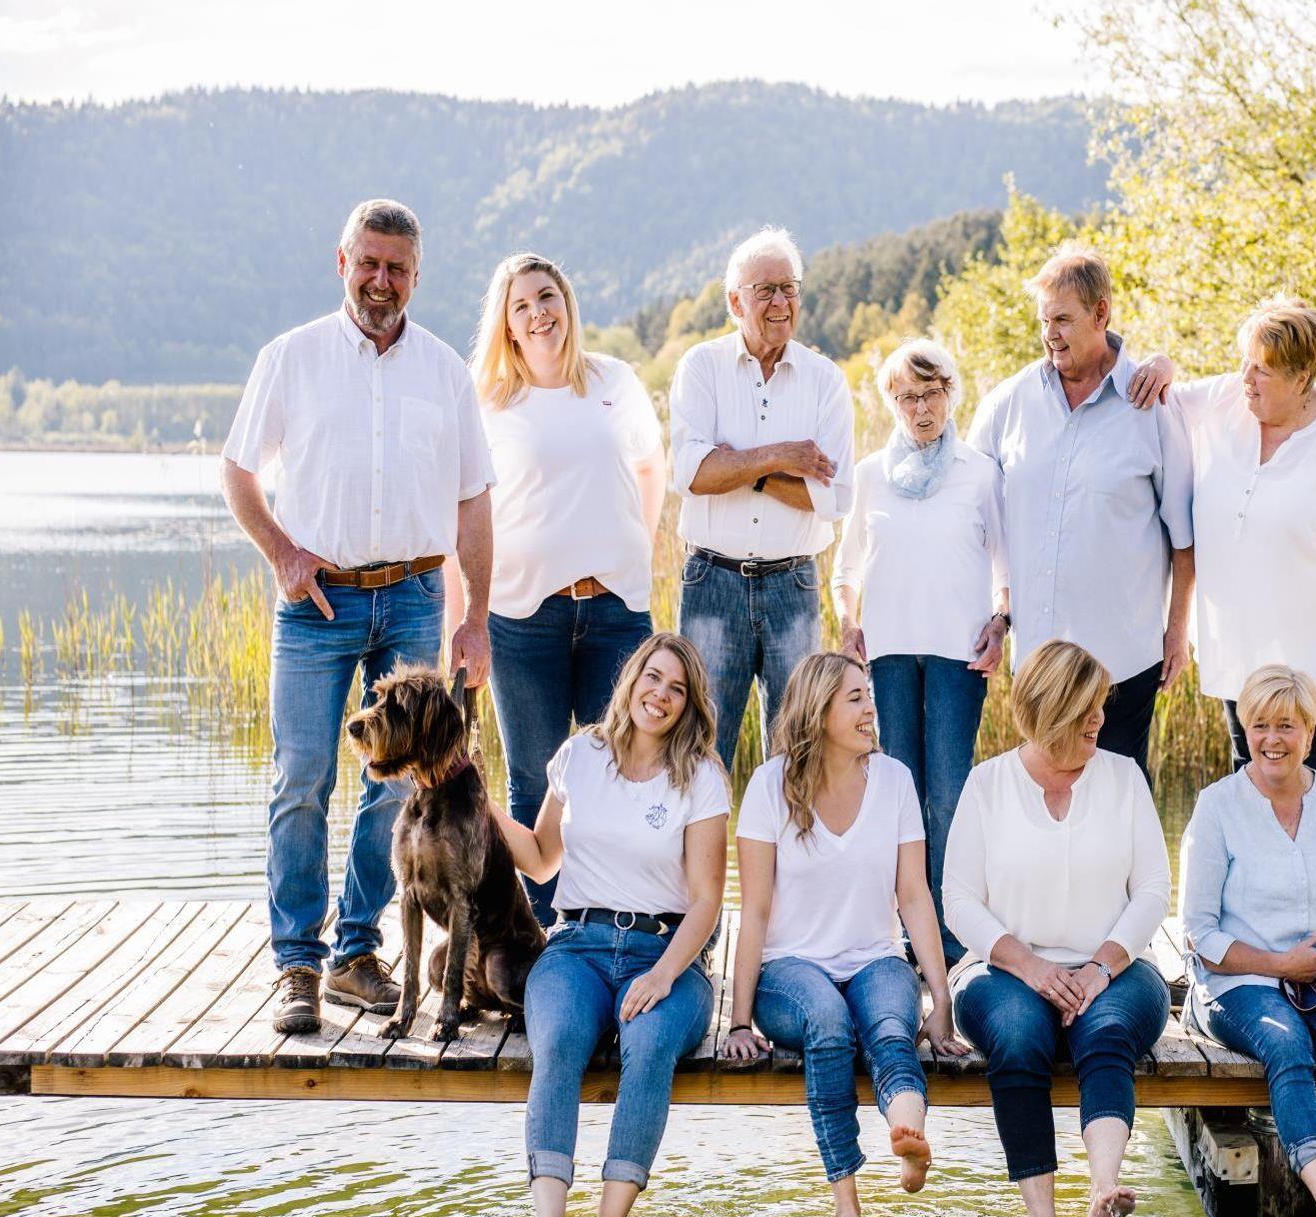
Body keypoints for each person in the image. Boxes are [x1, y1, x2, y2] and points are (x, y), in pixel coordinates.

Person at [221, 197, 495, 1035]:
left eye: (397, 268)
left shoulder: (445, 371)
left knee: (402, 785)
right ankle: (297, 964)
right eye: (369, 264)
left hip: (414, 595)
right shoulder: (291, 357)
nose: (382, 281)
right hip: (317, 601)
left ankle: (354, 951)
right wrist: (283, 553)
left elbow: (473, 501)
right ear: (343, 263)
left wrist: (477, 615)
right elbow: (238, 472)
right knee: (301, 779)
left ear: (417, 274)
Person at [489, 633, 729, 1217]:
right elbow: (542, 859)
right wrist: (479, 801)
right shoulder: (581, 755)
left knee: (648, 1047)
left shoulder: (701, 776)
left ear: (689, 704)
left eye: (677, 689)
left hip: (665, 952)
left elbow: (707, 900)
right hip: (576, 948)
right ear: (631, 679)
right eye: (653, 678)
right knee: (560, 1039)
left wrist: (663, 974)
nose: (661, 695)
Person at [943, 640, 1172, 1217]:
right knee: (1019, 1038)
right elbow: (958, 899)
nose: (1100, 718)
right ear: (1049, 710)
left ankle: (1103, 1190)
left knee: (1108, 1030)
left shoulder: (1123, 778)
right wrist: (1032, 968)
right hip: (1005, 971)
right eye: (1086, 707)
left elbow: (1154, 890)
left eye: (1101, 704)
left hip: (1114, 970)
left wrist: (1100, 967)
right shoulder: (988, 784)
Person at [727, 652, 962, 1217]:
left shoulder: (894, 780)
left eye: (868, 695)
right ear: (818, 710)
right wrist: (739, 1020)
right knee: (828, 1024)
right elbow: (754, 911)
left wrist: (941, 1002)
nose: (870, 709)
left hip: (875, 960)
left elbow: (914, 897)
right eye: (855, 698)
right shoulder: (769, 786)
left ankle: (910, 1139)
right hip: (789, 971)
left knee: (890, 1029)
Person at [469, 252, 666, 922]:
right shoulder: (488, 401)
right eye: (521, 305)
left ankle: (626, 920)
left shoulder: (614, 381)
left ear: (567, 303)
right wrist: (463, 622)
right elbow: (462, 512)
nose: (538, 314)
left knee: (632, 765)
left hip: (616, 611)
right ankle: (549, 936)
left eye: (546, 297)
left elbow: (650, 467)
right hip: (523, 618)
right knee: (535, 777)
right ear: (507, 324)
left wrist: (636, 546)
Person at [1129, 295, 1316, 781]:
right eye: (1245, 363)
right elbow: (1156, 400)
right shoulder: (1225, 401)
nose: (1245, 379)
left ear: (1301, 378)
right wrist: (1162, 363)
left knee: (1312, 798)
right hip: (1241, 667)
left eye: (1262, 371)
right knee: (1247, 791)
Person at [1179, 664, 1316, 1217]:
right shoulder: (1217, 807)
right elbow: (1200, 936)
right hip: (1238, 983)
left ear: (1311, 732)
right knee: (1287, 1043)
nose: (1273, 739)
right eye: (1261, 724)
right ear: (1245, 728)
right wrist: (1278, 964)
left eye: (1287, 726)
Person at [966, 244, 1193, 778]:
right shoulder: (1007, 404)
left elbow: (1184, 537)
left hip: (1123, 663)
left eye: (1063, 320)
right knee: (1045, 803)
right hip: (1039, 666)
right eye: (1044, 321)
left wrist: (1177, 632)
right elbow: (974, 519)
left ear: (1101, 313)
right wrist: (1000, 612)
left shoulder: (1152, 405)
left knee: (1119, 803)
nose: (1050, 334)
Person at [834, 338, 1008, 960]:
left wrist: (1002, 620)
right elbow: (845, 568)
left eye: (931, 394)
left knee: (949, 794)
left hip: (959, 654)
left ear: (950, 393)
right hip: (887, 655)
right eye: (907, 397)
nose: (921, 409)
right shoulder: (869, 476)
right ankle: (907, 934)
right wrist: (847, 620)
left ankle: (954, 937)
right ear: (892, 403)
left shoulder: (979, 471)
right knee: (899, 794)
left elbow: (1005, 562)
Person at [668, 226, 856, 772]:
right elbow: (693, 475)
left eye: (789, 288)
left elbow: (835, 498)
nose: (780, 302)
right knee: (700, 750)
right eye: (765, 290)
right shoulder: (701, 367)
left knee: (798, 751)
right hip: (712, 582)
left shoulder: (826, 381)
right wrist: (783, 456)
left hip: (793, 585)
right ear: (735, 302)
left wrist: (744, 467)